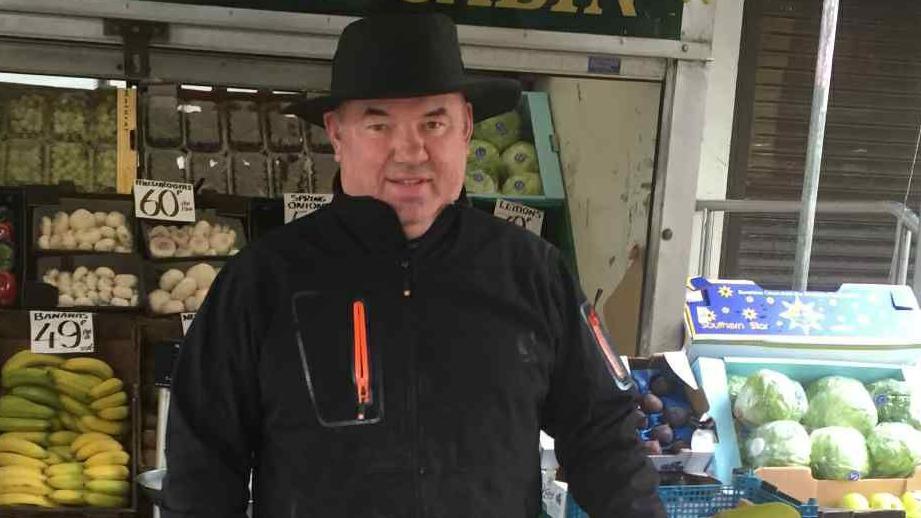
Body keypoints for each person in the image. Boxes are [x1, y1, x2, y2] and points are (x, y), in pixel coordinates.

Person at [162, 13, 664, 518]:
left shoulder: (532, 273)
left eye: (434, 122)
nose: (410, 152)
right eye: (379, 125)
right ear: (337, 134)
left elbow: (604, 437)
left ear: (466, 127)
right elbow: (201, 468)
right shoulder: (261, 282)